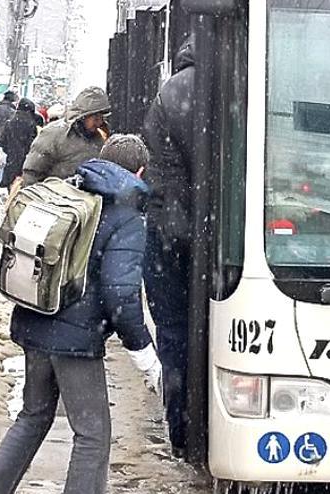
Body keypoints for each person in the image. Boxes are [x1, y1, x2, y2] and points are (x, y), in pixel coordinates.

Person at [0, 134, 162, 494]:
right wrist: (143, 352)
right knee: (93, 433)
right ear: (139, 172)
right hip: (76, 340)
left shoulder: (72, 190)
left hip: (36, 318)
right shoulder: (124, 212)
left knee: (32, 417)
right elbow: (122, 294)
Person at [142, 41, 198, 457]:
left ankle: (180, 428)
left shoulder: (169, 93)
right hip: (207, 235)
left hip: (167, 233)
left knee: (173, 335)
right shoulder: (225, 83)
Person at [20, 87, 110, 187]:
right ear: (83, 115)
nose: (100, 123)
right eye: (96, 118)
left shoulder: (100, 138)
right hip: (54, 199)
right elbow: (32, 172)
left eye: (102, 118)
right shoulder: (53, 134)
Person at [0, 98, 40, 189]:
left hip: (11, 157)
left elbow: (2, 140)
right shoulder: (31, 123)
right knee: (22, 184)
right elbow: (34, 143)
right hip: (26, 159)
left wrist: (9, 149)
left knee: (10, 181)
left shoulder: (10, 121)